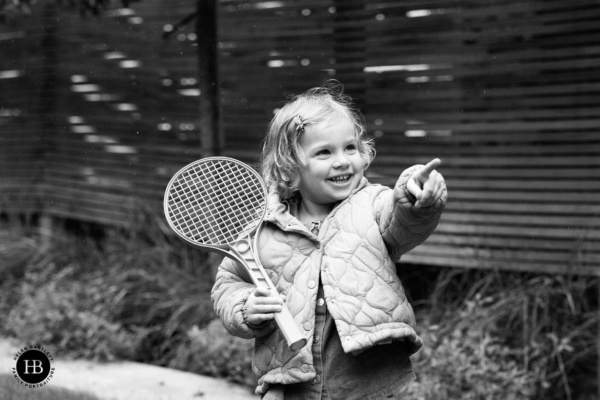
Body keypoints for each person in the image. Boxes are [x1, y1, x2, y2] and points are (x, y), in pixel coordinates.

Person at [211, 81, 447, 399]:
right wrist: (244, 307)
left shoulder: (372, 204)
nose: (342, 160)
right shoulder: (262, 229)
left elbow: (402, 220)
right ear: (291, 166)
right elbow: (228, 282)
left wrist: (415, 196)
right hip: (290, 376)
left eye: (350, 147)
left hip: (363, 377)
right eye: (324, 151)